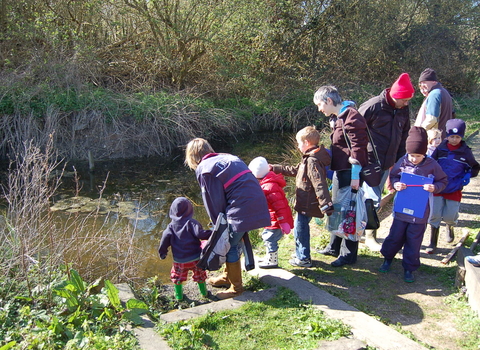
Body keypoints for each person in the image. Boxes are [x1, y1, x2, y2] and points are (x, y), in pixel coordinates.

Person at [185, 138, 270, 299]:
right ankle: (226, 277)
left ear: (192, 156)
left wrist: (218, 227)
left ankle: (236, 288)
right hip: (257, 201)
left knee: (229, 244)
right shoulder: (228, 157)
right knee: (232, 241)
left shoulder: (204, 169)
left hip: (241, 207)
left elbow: (213, 200)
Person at [379, 126, 447, 282]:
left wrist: (434, 187)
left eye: (418, 155)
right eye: (412, 155)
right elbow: (394, 176)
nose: (414, 159)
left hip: (420, 212)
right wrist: (396, 184)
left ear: (424, 153)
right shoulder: (402, 161)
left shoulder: (432, 164)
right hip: (402, 209)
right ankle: (387, 258)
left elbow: (443, 180)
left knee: (414, 240)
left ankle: (409, 268)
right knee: (395, 236)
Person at [358, 72, 415, 250]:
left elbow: (404, 135)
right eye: (404, 100)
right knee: (369, 198)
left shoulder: (403, 109)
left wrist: (399, 161)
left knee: (373, 199)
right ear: (395, 96)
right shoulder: (373, 106)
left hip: (387, 161)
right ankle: (367, 235)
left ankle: (366, 233)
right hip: (368, 161)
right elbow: (353, 128)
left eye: (408, 100)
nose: (407, 103)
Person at [313, 86, 369, 267]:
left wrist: (355, 177)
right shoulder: (341, 115)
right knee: (337, 209)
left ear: (329, 101)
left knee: (349, 211)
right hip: (340, 170)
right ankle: (334, 246)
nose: (319, 109)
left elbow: (358, 149)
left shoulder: (352, 118)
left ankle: (348, 255)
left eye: (320, 104)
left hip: (349, 173)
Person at [270, 126, 334, 268]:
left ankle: (303, 258)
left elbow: (319, 183)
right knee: (301, 227)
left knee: (301, 229)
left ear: (306, 143)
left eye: (299, 143)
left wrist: (325, 203)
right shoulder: (311, 157)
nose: (298, 146)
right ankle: (300, 253)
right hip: (305, 201)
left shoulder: (312, 161)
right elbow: (295, 170)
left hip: (307, 202)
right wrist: (275, 168)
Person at [426, 119, 480, 253]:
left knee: (450, 215)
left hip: (455, 187)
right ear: (447, 136)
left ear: (462, 136)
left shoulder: (465, 151)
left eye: (457, 137)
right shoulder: (441, 148)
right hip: (438, 186)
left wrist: (467, 176)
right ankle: (433, 242)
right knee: (435, 214)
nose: (454, 139)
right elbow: (431, 162)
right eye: (451, 136)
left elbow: (474, 167)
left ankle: (450, 226)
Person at [158, 197, 212, 301]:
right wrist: (213, 233)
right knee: (200, 275)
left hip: (180, 260)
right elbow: (200, 234)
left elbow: (164, 239)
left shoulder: (171, 226)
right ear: (189, 209)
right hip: (196, 258)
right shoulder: (192, 223)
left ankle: (178, 296)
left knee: (177, 277)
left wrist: (162, 252)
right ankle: (204, 293)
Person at [248, 156, 294, 268]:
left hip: (276, 221)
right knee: (267, 237)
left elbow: (280, 206)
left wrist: (283, 222)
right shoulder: (268, 182)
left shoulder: (269, 187)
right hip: (272, 219)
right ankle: (269, 257)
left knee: (269, 239)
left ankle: (272, 260)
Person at [415, 68, 454, 139]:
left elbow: (431, 119)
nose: (422, 87)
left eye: (424, 82)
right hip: (443, 137)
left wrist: (418, 133)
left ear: (434, 82)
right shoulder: (444, 92)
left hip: (434, 139)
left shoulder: (434, 94)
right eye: (420, 84)